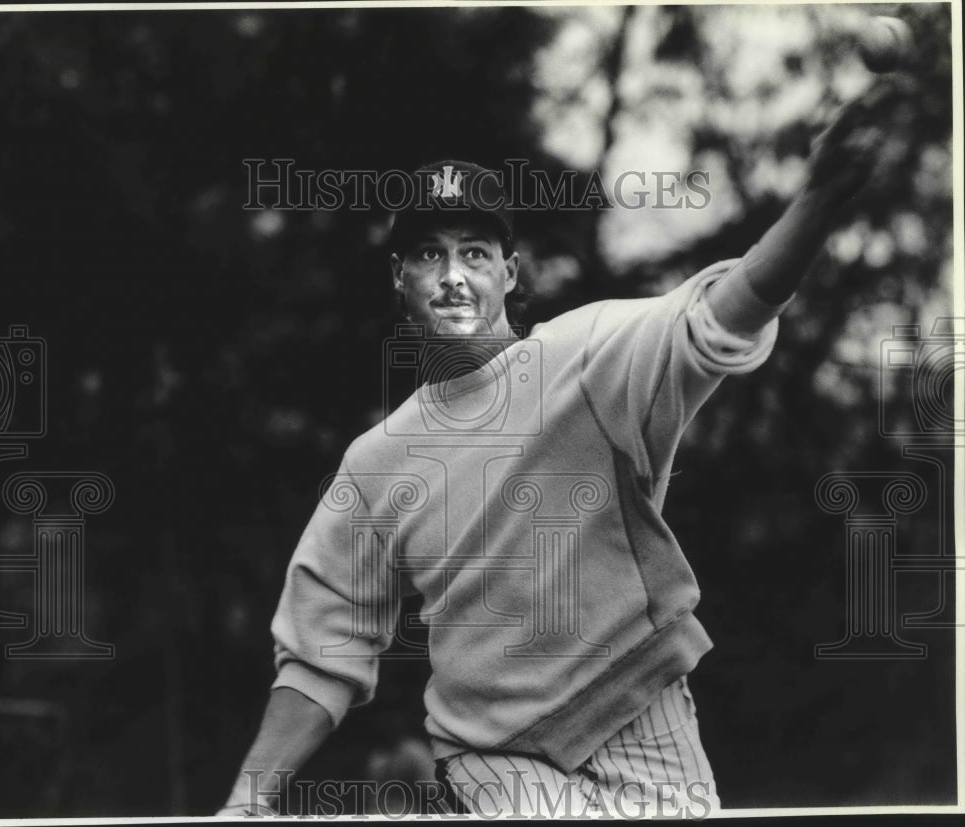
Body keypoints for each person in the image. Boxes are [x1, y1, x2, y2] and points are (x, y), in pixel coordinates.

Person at [219, 81, 899, 818]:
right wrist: (244, 802)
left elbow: (719, 317)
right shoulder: (377, 463)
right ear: (399, 279)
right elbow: (322, 652)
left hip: (647, 729)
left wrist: (819, 204)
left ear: (509, 274)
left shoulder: (588, 356)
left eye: (475, 252)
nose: (452, 275)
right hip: (494, 761)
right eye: (427, 254)